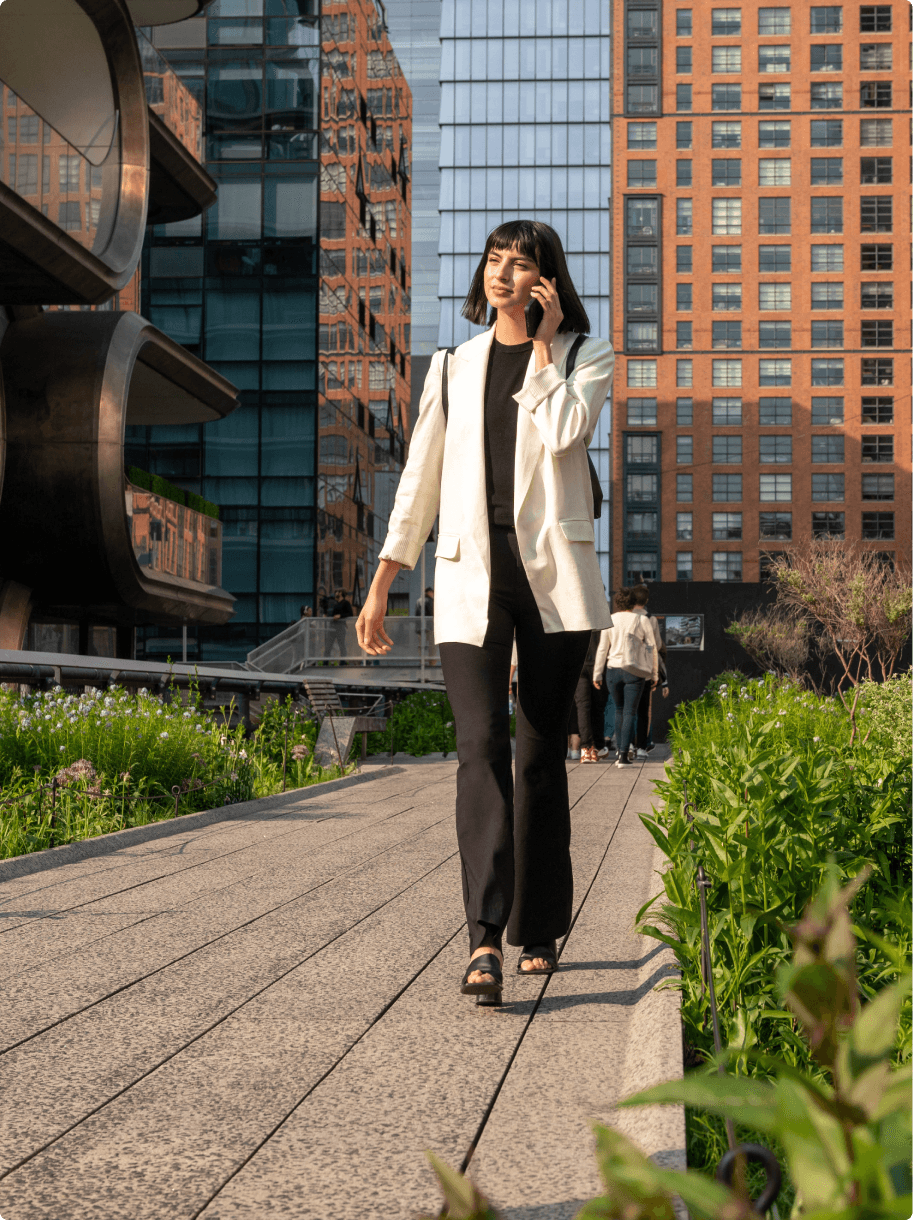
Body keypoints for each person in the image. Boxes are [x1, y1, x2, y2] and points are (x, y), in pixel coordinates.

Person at [355, 219, 614, 1005]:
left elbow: (566, 432)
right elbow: (421, 478)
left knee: (537, 758)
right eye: (496, 261)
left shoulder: (583, 358)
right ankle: (481, 936)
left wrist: (543, 345)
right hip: (470, 581)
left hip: (555, 584)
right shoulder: (453, 366)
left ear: (548, 281)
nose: (504, 273)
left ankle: (538, 927)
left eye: (523, 263)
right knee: (479, 747)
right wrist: (382, 579)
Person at [594, 586, 660, 768]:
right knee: (630, 711)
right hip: (634, 670)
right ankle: (624, 754)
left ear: (617, 603)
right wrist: (654, 674)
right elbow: (652, 648)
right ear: (633, 603)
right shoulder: (642, 620)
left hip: (612, 670)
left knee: (619, 710)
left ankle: (618, 753)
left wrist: (597, 673)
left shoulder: (610, 620)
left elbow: (602, 648)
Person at [628, 584, 668, 759]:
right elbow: (657, 646)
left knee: (627, 709)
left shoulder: (624, 617)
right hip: (644, 668)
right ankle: (641, 747)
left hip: (626, 667)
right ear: (646, 601)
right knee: (643, 710)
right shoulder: (650, 619)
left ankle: (627, 744)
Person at [327, 589, 353, 661]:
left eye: (337, 592)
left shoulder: (346, 603)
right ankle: (325, 662)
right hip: (333, 627)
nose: (335, 594)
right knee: (328, 645)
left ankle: (343, 662)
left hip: (340, 627)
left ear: (340, 593)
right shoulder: (336, 604)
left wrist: (340, 616)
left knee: (342, 645)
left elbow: (350, 614)